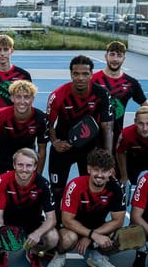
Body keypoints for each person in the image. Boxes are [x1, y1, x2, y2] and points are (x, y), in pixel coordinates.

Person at [46, 55, 113, 218]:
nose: (80, 78)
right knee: (57, 189)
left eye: (85, 74)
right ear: (71, 74)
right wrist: (55, 142)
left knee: (91, 187)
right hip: (63, 148)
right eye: (76, 74)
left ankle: (85, 222)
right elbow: (49, 123)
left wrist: (108, 156)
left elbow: (107, 127)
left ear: (91, 74)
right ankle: (56, 223)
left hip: (90, 149)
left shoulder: (102, 94)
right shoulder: (58, 95)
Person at [48, 149, 126, 267]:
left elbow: (118, 221)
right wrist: (92, 235)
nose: (100, 175)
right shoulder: (75, 186)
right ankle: (59, 255)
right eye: (96, 170)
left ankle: (97, 257)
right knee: (68, 239)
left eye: (104, 171)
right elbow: (67, 220)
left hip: (97, 227)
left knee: (121, 236)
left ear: (111, 172)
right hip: (71, 228)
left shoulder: (117, 188)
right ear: (89, 169)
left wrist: (90, 236)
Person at [0, 148, 58, 267]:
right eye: (20, 164)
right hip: (8, 223)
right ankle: (2, 252)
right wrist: (2, 230)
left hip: (32, 225)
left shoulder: (43, 184)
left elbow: (51, 218)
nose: (24, 169)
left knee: (53, 237)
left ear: (35, 166)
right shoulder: (3, 180)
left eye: (29, 165)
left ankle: (33, 252)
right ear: (14, 165)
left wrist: (38, 233)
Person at [0, 79, 49, 194]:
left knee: (31, 192)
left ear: (32, 99)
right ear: (12, 98)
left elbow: (42, 150)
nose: (22, 101)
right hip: (2, 159)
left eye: (27, 97)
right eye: (18, 97)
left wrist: (37, 175)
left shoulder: (41, 118)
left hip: (25, 159)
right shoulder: (0, 116)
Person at [92, 41, 148, 160]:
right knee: (93, 175)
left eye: (119, 55)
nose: (115, 59)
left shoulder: (131, 83)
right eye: (112, 54)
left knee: (114, 174)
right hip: (92, 136)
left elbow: (147, 108)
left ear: (124, 59)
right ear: (105, 56)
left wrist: (141, 126)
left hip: (117, 137)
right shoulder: (93, 80)